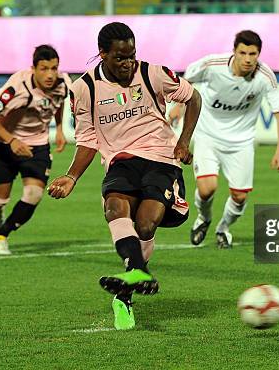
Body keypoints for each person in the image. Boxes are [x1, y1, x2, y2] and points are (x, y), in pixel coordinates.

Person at [48, 22, 201, 331]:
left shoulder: (153, 73)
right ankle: (133, 282)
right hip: (121, 161)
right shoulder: (84, 89)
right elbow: (88, 139)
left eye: (131, 55)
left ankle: (128, 284)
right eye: (120, 57)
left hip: (161, 160)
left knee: (145, 224)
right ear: (102, 54)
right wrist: (71, 177)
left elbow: (193, 98)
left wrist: (184, 140)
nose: (128, 63)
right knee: (115, 208)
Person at [168, 30, 279, 249]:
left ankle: (223, 228)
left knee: (240, 196)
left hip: (241, 143)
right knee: (207, 188)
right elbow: (186, 78)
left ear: (258, 54)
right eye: (243, 52)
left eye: (252, 54)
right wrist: (179, 105)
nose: (247, 59)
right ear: (234, 51)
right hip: (208, 136)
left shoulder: (265, 77)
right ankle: (203, 219)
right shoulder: (213, 66)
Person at [0, 44, 70, 256]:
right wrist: (12, 140)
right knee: (0, 198)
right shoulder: (17, 88)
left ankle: (1, 234)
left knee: (34, 194)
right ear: (33, 69)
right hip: (4, 144)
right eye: (44, 69)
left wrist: (59, 128)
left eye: (54, 68)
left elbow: (57, 103)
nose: (50, 74)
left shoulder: (64, 83)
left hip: (37, 144)